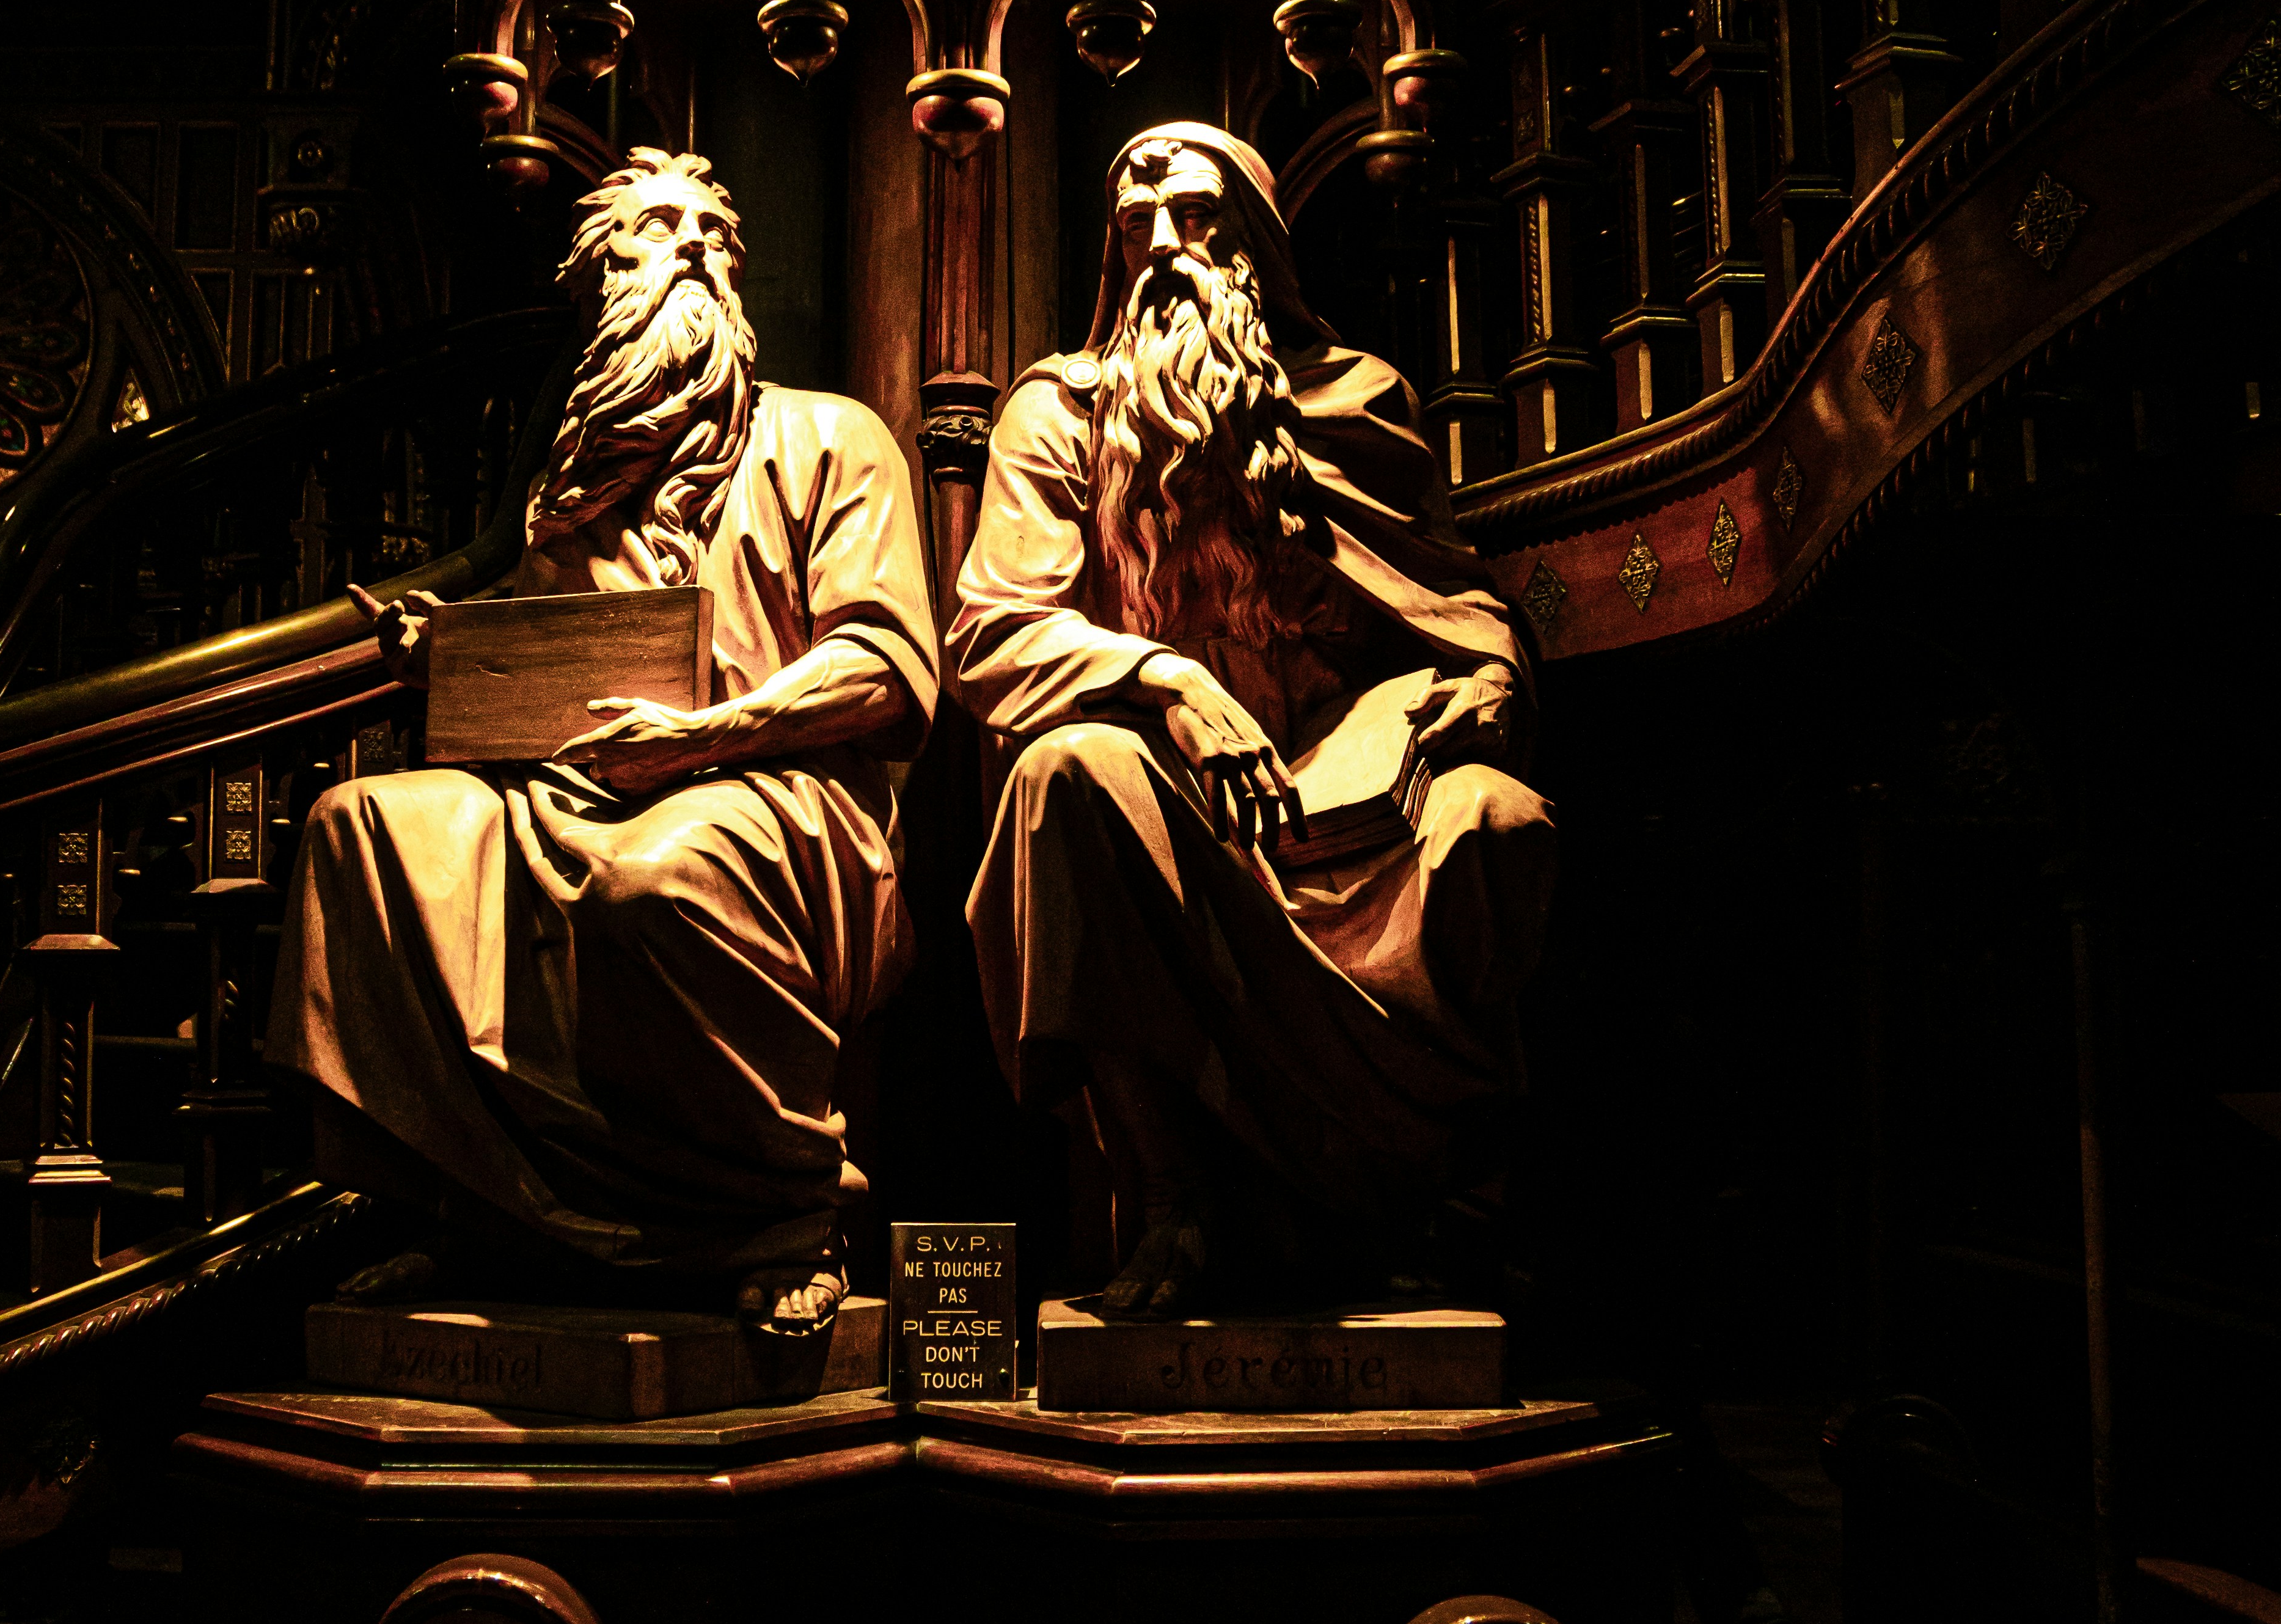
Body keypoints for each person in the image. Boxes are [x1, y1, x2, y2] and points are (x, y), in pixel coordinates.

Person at [266, 150, 937, 1342]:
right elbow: (545, 673)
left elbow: (888, 670)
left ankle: (780, 1219)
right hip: (567, 791)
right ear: (595, 284)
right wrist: (449, 657)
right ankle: (465, 1208)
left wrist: (703, 737)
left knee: (653, 879)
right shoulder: (570, 484)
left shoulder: (829, 437)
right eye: (654, 229)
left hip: (775, 791)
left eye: (710, 232)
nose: (691, 246)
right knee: (360, 829)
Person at [946, 120, 1555, 1312]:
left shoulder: (1358, 398)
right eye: (1138, 226)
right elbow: (991, 632)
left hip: (1365, 790)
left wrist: (1491, 681)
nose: (1166, 247)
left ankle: (1433, 1213)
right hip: (1176, 796)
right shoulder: (1059, 414)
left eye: (1196, 217)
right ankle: (1172, 1206)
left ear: (1257, 243)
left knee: (1501, 820)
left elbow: (1457, 601)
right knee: (1066, 774)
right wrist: (1168, 684)